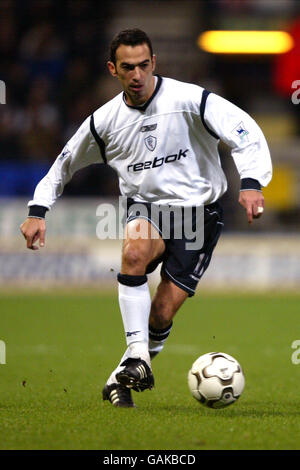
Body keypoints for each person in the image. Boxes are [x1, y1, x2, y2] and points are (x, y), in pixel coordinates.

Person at [20, 29, 272, 408]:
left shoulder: (190, 100)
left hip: (199, 216)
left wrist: (252, 182)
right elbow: (63, 165)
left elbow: (244, 130)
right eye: (127, 67)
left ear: (153, 63)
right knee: (134, 253)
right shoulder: (104, 123)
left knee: (162, 311)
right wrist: (38, 210)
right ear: (113, 69)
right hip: (148, 208)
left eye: (143, 65)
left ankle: (119, 377)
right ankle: (138, 354)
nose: (136, 75)